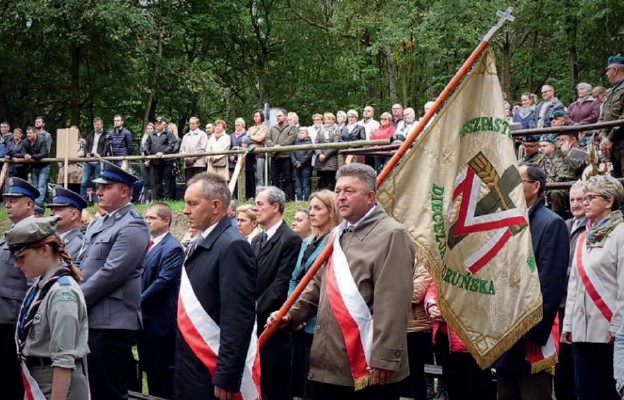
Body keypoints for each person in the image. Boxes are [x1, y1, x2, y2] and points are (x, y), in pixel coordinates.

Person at [267, 163, 415, 400]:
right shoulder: (337, 234)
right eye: (337, 191)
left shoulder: (392, 235)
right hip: (326, 362)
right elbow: (316, 285)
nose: (341, 197)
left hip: (367, 364)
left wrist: (385, 358)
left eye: (349, 191)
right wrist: (290, 314)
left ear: (370, 197)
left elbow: (393, 304)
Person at [174, 172, 259, 399]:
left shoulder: (232, 246)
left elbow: (238, 317)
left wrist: (227, 375)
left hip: (210, 370)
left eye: (192, 204)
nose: (185, 210)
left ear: (215, 206)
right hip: (191, 363)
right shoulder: (203, 240)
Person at [77, 160, 150, 400]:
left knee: (107, 391)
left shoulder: (133, 225)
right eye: (99, 187)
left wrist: (75, 299)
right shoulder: (99, 223)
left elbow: (111, 272)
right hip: (93, 319)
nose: (98, 191)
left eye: (106, 187)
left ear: (125, 192)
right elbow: (82, 265)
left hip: (112, 324)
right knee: (90, 389)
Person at [495, 164, 568, 400]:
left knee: (533, 392)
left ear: (535, 187)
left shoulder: (552, 223)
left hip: (531, 337)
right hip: (505, 330)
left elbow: (551, 283)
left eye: (519, 180)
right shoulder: (506, 219)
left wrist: (534, 334)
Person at [8, 216, 89, 399]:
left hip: (58, 386)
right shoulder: (42, 286)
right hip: (38, 380)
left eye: (21, 257)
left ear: (44, 250)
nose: (16, 264)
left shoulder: (63, 292)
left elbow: (63, 360)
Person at [561, 175, 624, 400]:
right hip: (581, 330)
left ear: (609, 201)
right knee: (584, 391)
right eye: (583, 197)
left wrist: (617, 324)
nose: (584, 202)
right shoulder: (584, 237)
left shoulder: (621, 233)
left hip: (608, 330)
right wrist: (568, 323)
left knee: (606, 391)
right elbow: (574, 284)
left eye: (591, 197)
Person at [288, 190, 341, 399]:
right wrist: (294, 311)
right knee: (298, 378)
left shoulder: (335, 241)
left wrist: (305, 312)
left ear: (331, 211)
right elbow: (295, 277)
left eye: (318, 208)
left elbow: (325, 282)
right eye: (310, 208)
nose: (311, 213)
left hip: (318, 319)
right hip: (298, 318)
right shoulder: (306, 242)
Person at [252, 186, 302, 400]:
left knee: (276, 387)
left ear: (275, 207)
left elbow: (280, 284)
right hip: (253, 326)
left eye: (260, 204)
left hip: (274, 327)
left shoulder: (290, 240)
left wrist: (254, 309)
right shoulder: (256, 241)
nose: (256, 209)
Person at [0, 177, 40, 400]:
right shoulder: (16, 231)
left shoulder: (32, 232)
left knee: (12, 381)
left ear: (29, 204)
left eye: (14, 200)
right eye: (6, 200)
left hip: (14, 320)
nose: (8, 204)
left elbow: (33, 282)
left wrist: (27, 322)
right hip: (4, 317)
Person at [140, 203, 184, 399]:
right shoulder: (146, 245)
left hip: (161, 321)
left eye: (152, 218)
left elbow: (164, 281)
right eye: (146, 217)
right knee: (149, 368)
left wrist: (138, 301)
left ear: (166, 221)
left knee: (163, 372)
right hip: (144, 320)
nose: (147, 221)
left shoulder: (172, 248)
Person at [554, 182, 587, 400]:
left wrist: (561, 273)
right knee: (562, 365)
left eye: (580, 199)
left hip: (581, 304)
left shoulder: (592, 228)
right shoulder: (564, 225)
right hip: (561, 303)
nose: (575, 204)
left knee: (578, 364)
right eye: (572, 199)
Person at [599, 55, 624, 177]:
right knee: (615, 188)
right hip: (612, 149)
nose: (606, 74)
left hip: (621, 144)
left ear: (614, 70)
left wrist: (610, 139)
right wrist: (604, 139)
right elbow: (601, 119)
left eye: (607, 70)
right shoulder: (610, 93)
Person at [48, 186, 88, 261]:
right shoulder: (51, 239)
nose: (51, 214)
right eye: (52, 210)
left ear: (74, 215)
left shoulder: (80, 244)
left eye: (58, 210)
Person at [266, 108, 298, 201]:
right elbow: (267, 139)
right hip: (274, 156)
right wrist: (274, 146)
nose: (278, 118)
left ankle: (290, 198)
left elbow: (291, 139)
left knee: (288, 178)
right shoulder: (272, 128)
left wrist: (279, 146)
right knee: (274, 178)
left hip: (286, 156)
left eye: (279, 116)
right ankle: (275, 199)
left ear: (285, 116)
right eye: (277, 116)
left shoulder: (291, 127)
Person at [146, 117, 179, 200]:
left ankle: (167, 200)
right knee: (157, 181)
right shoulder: (151, 134)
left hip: (167, 162)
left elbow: (172, 145)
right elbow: (147, 145)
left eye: (159, 123)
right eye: (156, 123)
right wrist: (148, 153)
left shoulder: (169, 134)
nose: (157, 124)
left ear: (164, 124)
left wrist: (162, 152)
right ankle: (157, 199)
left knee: (167, 181)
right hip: (155, 161)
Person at [81, 117, 112, 201]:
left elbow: (106, 147)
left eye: (98, 124)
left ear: (102, 124)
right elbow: (86, 146)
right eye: (95, 124)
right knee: (84, 182)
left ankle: (97, 202)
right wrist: (86, 154)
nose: (96, 126)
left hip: (98, 161)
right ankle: (82, 201)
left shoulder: (106, 135)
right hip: (89, 161)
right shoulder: (90, 134)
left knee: (98, 183)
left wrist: (100, 155)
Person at [314, 112, 341, 191]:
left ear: (333, 120)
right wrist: (319, 154)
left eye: (329, 119)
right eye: (326, 119)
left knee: (330, 181)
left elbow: (336, 145)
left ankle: (330, 199)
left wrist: (325, 155)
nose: (327, 121)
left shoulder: (337, 130)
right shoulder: (320, 130)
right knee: (321, 181)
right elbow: (316, 143)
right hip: (320, 160)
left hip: (331, 159)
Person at [23, 126, 49, 204]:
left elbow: (44, 153)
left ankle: (38, 203)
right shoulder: (25, 141)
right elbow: (23, 152)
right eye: (27, 133)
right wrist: (25, 155)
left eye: (30, 133)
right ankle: (34, 201)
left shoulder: (42, 140)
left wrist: (31, 156)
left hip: (44, 167)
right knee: (34, 185)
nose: (28, 135)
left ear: (35, 133)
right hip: (34, 167)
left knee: (41, 185)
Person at [180, 116, 208, 181]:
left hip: (199, 164)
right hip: (187, 164)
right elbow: (181, 149)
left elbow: (203, 148)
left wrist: (194, 158)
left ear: (198, 124)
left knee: (199, 184)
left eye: (193, 123)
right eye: (190, 123)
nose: (191, 125)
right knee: (188, 184)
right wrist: (186, 158)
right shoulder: (186, 136)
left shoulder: (202, 134)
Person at [248, 110, 269, 186]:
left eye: (257, 116)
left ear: (261, 117)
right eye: (254, 116)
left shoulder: (265, 128)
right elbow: (246, 140)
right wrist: (255, 138)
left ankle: (260, 193)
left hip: (260, 153)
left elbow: (261, 139)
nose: (255, 117)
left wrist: (251, 137)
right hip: (250, 153)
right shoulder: (250, 128)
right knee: (251, 175)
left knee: (259, 176)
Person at [291, 127, 313, 201]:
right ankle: (299, 200)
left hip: (306, 166)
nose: (300, 134)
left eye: (303, 133)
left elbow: (309, 154)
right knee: (298, 183)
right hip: (296, 166)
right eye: (299, 133)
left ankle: (307, 200)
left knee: (305, 184)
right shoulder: (295, 142)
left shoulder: (310, 143)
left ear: (307, 134)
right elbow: (292, 153)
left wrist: (301, 162)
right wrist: (295, 162)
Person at [140, 123, 155, 202]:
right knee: (145, 182)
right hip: (143, 162)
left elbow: (154, 150)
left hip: (152, 162)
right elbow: (141, 151)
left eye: (151, 128)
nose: (149, 130)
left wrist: (149, 161)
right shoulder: (143, 138)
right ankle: (146, 200)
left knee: (152, 182)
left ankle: (153, 200)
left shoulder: (155, 138)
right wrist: (145, 161)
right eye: (148, 128)